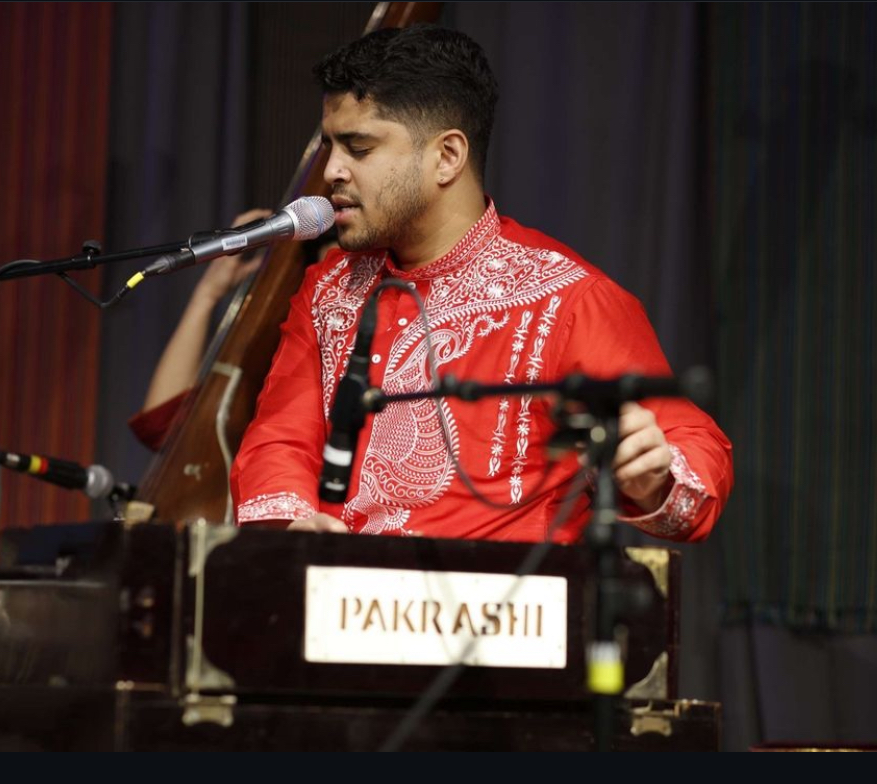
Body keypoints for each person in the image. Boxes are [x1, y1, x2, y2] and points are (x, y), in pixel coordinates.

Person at [229, 25, 733, 543]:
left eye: (358, 148)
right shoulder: (330, 286)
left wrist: (653, 478)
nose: (332, 170)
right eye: (330, 146)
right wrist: (293, 527)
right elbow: (279, 440)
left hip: (500, 591)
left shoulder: (569, 300)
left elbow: (695, 450)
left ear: (447, 156)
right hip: (339, 584)